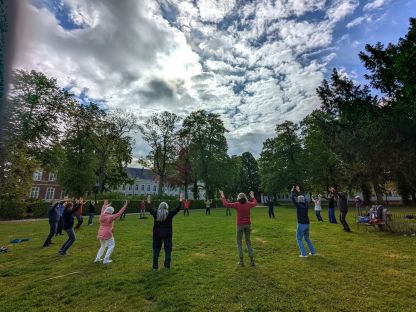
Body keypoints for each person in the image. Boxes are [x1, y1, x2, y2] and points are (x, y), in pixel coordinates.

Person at [220, 190, 257, 267]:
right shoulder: (248, 204)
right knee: (248, 242)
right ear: (245, 197)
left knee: (239, 243)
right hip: (248, 225)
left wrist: (223, 196)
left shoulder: (237, 204)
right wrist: (253, 197)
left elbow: (225, 204)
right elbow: (255, 203)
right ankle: (252, 261)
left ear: (238, 198)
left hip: (240, 225)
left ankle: (241, 262)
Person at [147, 193, 183, 271]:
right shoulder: (169, 214)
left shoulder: (156, 213)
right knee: (168, 251)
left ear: (159, 207)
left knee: (156, 251)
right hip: (167, 234)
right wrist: (180, 200)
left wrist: (149, 199)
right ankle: (167, 267)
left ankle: (155, 267)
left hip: (157, 234)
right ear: (166, 207)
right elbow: (177, 208)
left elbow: (149, 208)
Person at [95, 200, 128, 264]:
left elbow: (103, 209)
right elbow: (119, 213)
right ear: (111, 212)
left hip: (100, 233)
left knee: (103, 246)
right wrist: (125, 206)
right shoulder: (111, 217)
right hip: (107, 233)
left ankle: (97, 258)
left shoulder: (102, 215)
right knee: (111, 245)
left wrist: (105, 205)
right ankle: (106, 260)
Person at [291, 185, 317, 257]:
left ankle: (304, 254)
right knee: (307, 238)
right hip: (307, 224)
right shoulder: (306, 205)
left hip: (301, 224)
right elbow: (304, 198)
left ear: (298, 200)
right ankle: (313, 252)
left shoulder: (298, 205)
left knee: (299, 239)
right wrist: (299, 191)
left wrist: (292, 191)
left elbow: (293, 198)